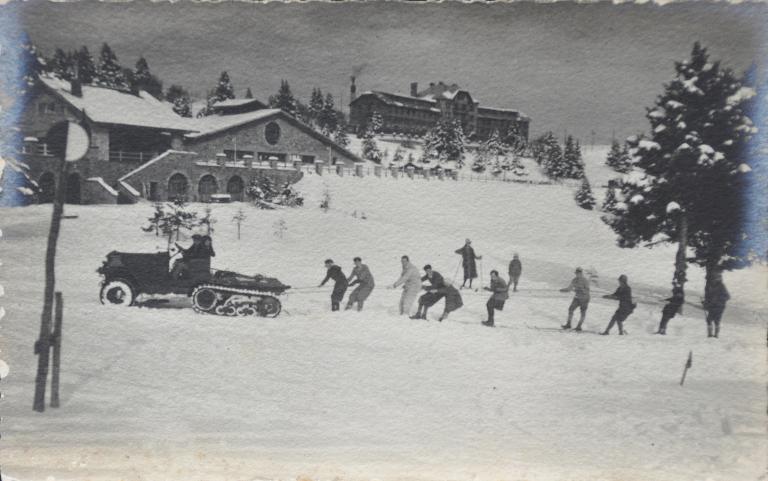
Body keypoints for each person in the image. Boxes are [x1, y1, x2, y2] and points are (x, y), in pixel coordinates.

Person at [560, 267, 590, 331]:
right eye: (576, 273)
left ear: (581, 273)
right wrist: (563, 290)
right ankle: (568, 324)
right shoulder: (574, 280)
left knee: (582, 312)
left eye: (578, 273)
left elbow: (587, 290)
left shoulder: (585, 280)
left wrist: (579, 290)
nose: (577, 274)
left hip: (584, 299)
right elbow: (569, 289)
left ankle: (579, 326)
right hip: (577, 298)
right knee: (570, 309)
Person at [703, 272, 730, 338]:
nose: (715, 280)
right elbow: (708, 296)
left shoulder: (721, 286)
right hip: (712, 306)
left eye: (717, 278)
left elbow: (727, 296)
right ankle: (709, 334)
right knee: (709, 320)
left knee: (716, 321)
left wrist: (718, 299)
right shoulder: (710, 286)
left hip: (719, 307)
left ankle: (716, 335)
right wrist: (705, 302)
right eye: (714, 278)